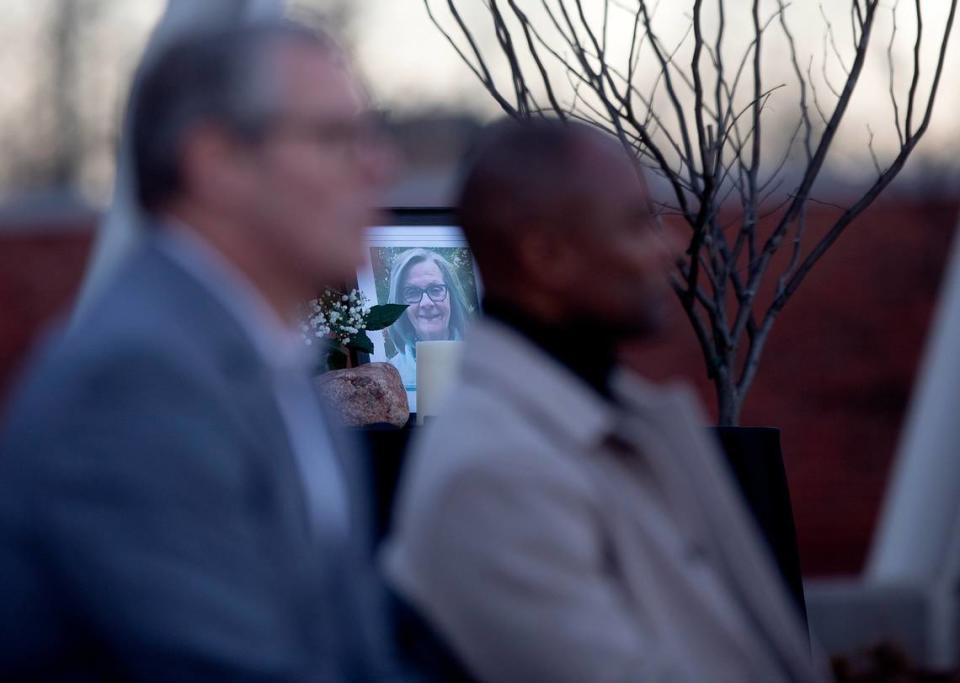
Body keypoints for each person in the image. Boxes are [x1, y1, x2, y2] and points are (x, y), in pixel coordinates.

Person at [0, 20, 399, 681]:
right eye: (334, 137)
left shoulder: (274, 356)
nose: (378, 166)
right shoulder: (134, 378)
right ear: (216, 161)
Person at [383, 119, 831, 682]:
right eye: (636, 225)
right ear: (544, 256)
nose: (670, 248)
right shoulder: (495, 472)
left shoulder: (614, 416)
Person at [384, 248, 471, 389]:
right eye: (412, 292)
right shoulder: (389, 376)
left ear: (451, 297)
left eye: (436, 289)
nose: (426, 303)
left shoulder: (486, 363)